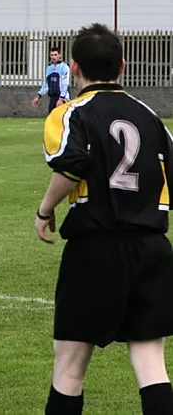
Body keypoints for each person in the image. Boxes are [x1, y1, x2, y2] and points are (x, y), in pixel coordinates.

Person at [36, 23, 173, 415]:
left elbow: (72, 164)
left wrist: (44, 211)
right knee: (151, 365)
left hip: (95, 248)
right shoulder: (150, 118)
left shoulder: (70, 114)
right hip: (151, 248)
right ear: (123, 66)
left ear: (74, 68)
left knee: (70, 367)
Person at [33, 47, 71, 115]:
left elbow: (65, 84)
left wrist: (61, 99)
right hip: (52, 98)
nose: (53, 57)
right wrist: (38, 96)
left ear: (60, 55)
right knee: (51, 121)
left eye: (55, 55)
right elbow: (46, 84)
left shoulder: (64, 67)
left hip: (62, 99)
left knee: (61, 121)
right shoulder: (49, 68)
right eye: (52, 55)